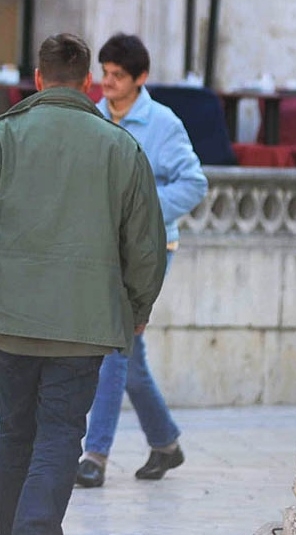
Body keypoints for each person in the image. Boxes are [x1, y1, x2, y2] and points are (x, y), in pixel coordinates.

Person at [0, 33, 167, 535]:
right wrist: (134, 309)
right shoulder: (120, 147)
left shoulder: (0, 136)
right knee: (60, 434)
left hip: (9, 317)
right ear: (86, 83)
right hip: (83, 325)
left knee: (15, 432)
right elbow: (147, 247)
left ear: (37, 78)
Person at [75, 33, 209, 489]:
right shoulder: (91, 118)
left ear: (141, 79)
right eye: (105, 74)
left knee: (114, 345)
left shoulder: (164, 123)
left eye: (118, 77)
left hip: (150, 253)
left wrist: (144, 215)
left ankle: (95, 455)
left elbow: (193, 184)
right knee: (127, 356)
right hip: (102, 253)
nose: (107, 84)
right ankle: (165, 444)